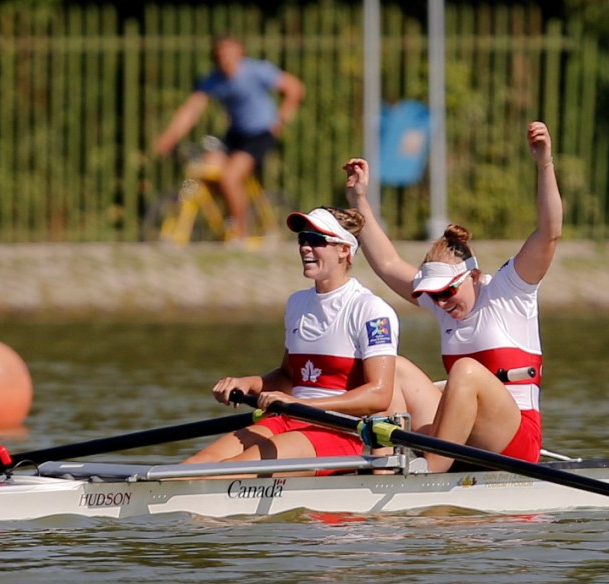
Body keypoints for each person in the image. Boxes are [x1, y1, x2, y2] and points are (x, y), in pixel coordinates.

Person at [343, 121, 562, 472]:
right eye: (434, 296)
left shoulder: (510, 291)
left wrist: (544, 164)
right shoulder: (445, 305)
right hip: (466, 438)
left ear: (473, 276)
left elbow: (549, 233)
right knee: (393, 368)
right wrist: (358, 201)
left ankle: (428, 473)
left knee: (466, 371)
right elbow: (386, 262)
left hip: (515, 441)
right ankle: (381, 468)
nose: (441, 302)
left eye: (447, 292)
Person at [183, 206, 400, 465]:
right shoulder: (297, 303)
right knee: (195, 465)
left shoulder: (371, 311)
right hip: (287, 418)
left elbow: (379, 395)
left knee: (228, 470)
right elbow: (288, 377)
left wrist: (301, 405)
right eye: (303, 239)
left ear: (345, 250)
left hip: (336, 431)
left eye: (317, 240)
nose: (306, 247)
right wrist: (247, 383)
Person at [153, 35, 305, 242]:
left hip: (260, 134)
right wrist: (169, 138)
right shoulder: (213, 80)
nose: (225, 58)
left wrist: (281, 120)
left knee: (230, 177)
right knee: (207, 168)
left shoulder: (256, 70)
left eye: (230, 53)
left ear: (240, 52)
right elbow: (191, 111)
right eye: (221, 54)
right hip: (235, 135)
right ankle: (230, 215)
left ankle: (240, 234)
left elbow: (294, 88)